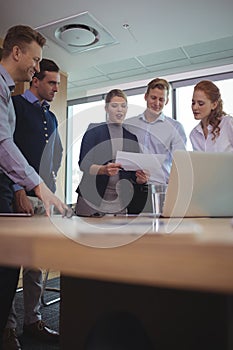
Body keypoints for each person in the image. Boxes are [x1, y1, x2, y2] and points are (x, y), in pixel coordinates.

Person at [0, 25, 68, 350]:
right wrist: (19, 189)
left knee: (35, 263)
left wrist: (50, 186)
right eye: (49, 81)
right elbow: (5, 147)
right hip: (17, 193)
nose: (54, 86)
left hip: (42, 196)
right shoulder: (11, 101)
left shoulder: (51, 118)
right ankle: (7, 328)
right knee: (9, 266)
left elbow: (55, 155)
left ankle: (33, 319)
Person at [75, 89, 148, 216]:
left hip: (119, 203)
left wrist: (140, 179)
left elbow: (131, 174)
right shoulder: (94, 130)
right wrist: (103, 170)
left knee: (117, 236)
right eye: (114, 106)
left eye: (123, 106)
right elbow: (84, 164)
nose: (119, 109)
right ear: (106, 108)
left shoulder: (131, 138)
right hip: (91, 200)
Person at [125, 78, 187, 184]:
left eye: (161, 99)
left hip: (161, 186)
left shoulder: (175, 127)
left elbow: (181, 163)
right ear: (146, 97)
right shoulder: (129, 125)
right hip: (133, 186)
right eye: (153, 98)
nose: (157, 103)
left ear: (166, 101)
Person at [190, 80, 233, 152]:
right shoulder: (194, 134)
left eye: (200, 103)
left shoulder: (228, 124)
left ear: (214, 105)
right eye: (193, 103)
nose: (194, 107)